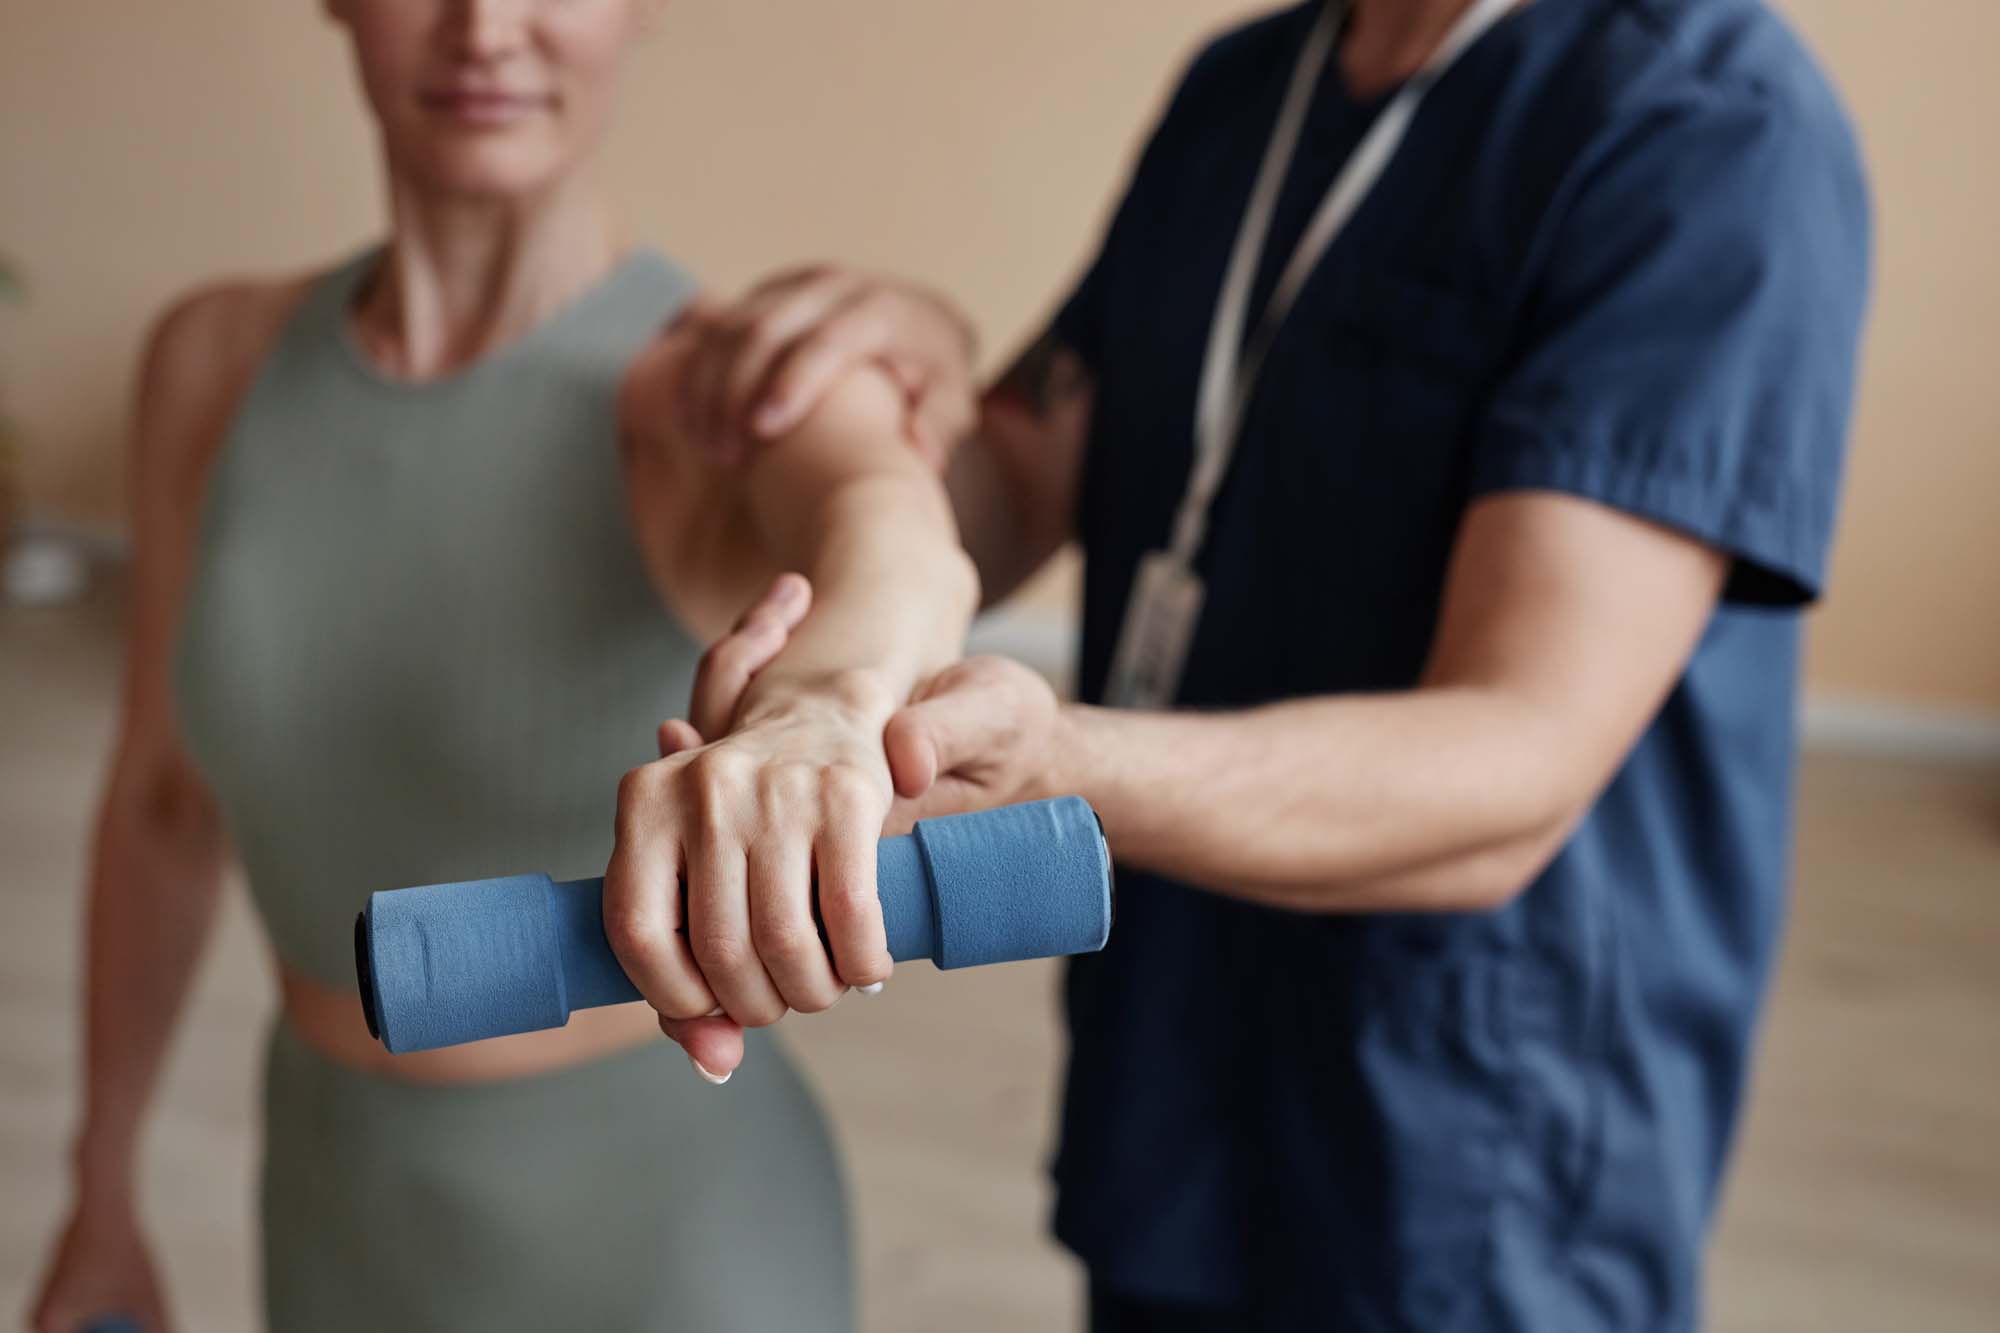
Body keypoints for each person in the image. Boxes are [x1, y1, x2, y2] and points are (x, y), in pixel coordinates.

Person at [660, 0, 1872, 1327]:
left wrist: (1056, 761)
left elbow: (1517, 759)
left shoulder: (1703, 129)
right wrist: (884, 386)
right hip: (1179, 1071)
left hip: (1469, 1146)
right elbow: (1013, 477)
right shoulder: (1244, 90)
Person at [29, 1, 978, 1330]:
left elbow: (899, 538)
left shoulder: (726, 385)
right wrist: (101, 1182)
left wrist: (828, 705)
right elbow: (161, 804)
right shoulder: (212, 362)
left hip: (670, 1249)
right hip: (329, 1207)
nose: (484, 29)